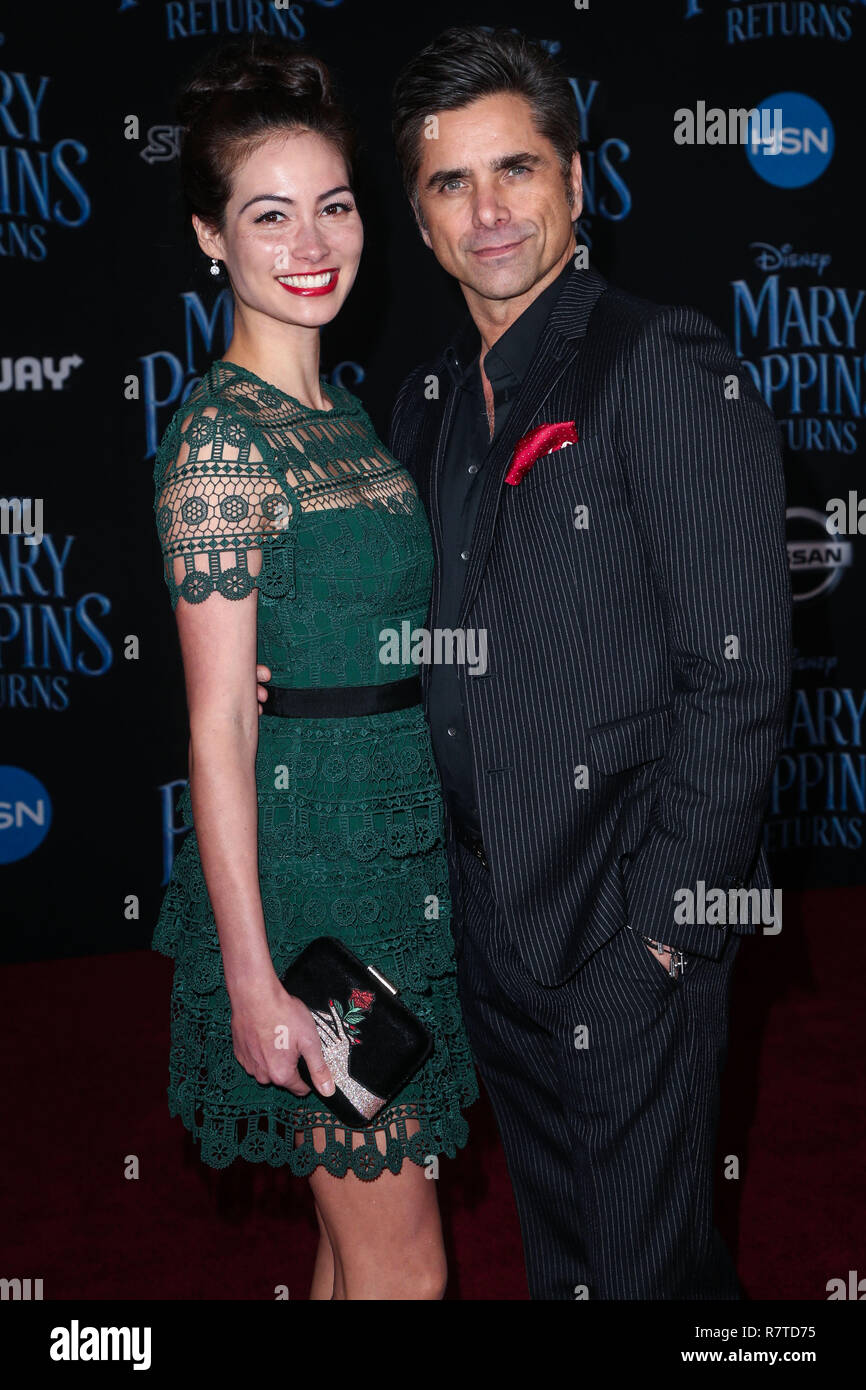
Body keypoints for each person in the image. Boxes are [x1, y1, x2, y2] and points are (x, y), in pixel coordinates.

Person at [257, 26, 794, 1300]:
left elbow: (740, 680)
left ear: (574, 181)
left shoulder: (657, 363)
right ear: (421, 220)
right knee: (565, 1261)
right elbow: (429, 626)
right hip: (482, 919)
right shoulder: (430, 400)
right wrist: (312, 677)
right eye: (451, 184)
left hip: (623, 915)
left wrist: (659, 939)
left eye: (516, 170)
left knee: (646, 1270)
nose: (488, 211)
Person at [152, 37, 477, 1303]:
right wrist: (252, 977)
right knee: (404, 1266)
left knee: (355, 1253)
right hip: (312, 880)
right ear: (208, 239)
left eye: (332, 205)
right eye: (267, 214)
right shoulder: (223, 443)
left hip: (397, 850)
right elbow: (220, 724)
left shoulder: (340, 411)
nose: (309, 241)